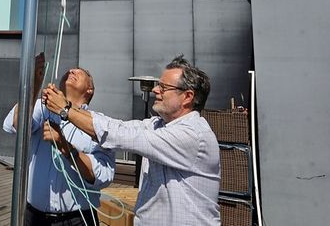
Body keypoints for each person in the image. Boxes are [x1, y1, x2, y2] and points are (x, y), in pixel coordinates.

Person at [43, 54, 220, 226]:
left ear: (187, 97)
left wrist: (65, 109)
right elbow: (119, 126)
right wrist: (66, 106)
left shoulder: (192, 135)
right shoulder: (158, 124)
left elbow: (122, 137)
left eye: (163, 87)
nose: (155, 90)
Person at [4, 53, 115, 225]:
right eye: (70, 70)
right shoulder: (41, 106)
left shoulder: (97, 124)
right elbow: (18, 126)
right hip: (34, 217)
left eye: (79, 72)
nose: (71, 71)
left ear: (89, 89)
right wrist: (33, 85)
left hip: (76, 219)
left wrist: (66, 149)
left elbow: (103, 175)